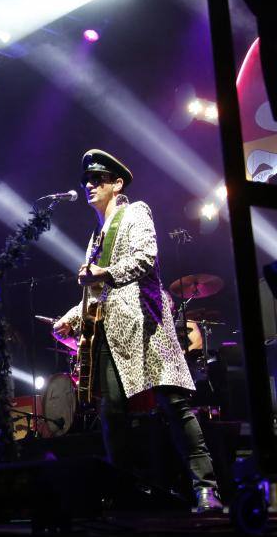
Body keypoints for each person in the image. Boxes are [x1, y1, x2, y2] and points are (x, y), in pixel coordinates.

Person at [53, 149, 222, 512]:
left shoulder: (136, 212)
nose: (89, 184)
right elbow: (96, 291)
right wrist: (70, 317)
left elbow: (145, 259)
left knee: (175, 406)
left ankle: (206, 487)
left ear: (117, 184)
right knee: (111, 414)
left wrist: (104, 272)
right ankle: (124, 492)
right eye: (87, 180)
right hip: (111, 336)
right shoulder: (94, 237)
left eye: (97, 179)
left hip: (148, 327)